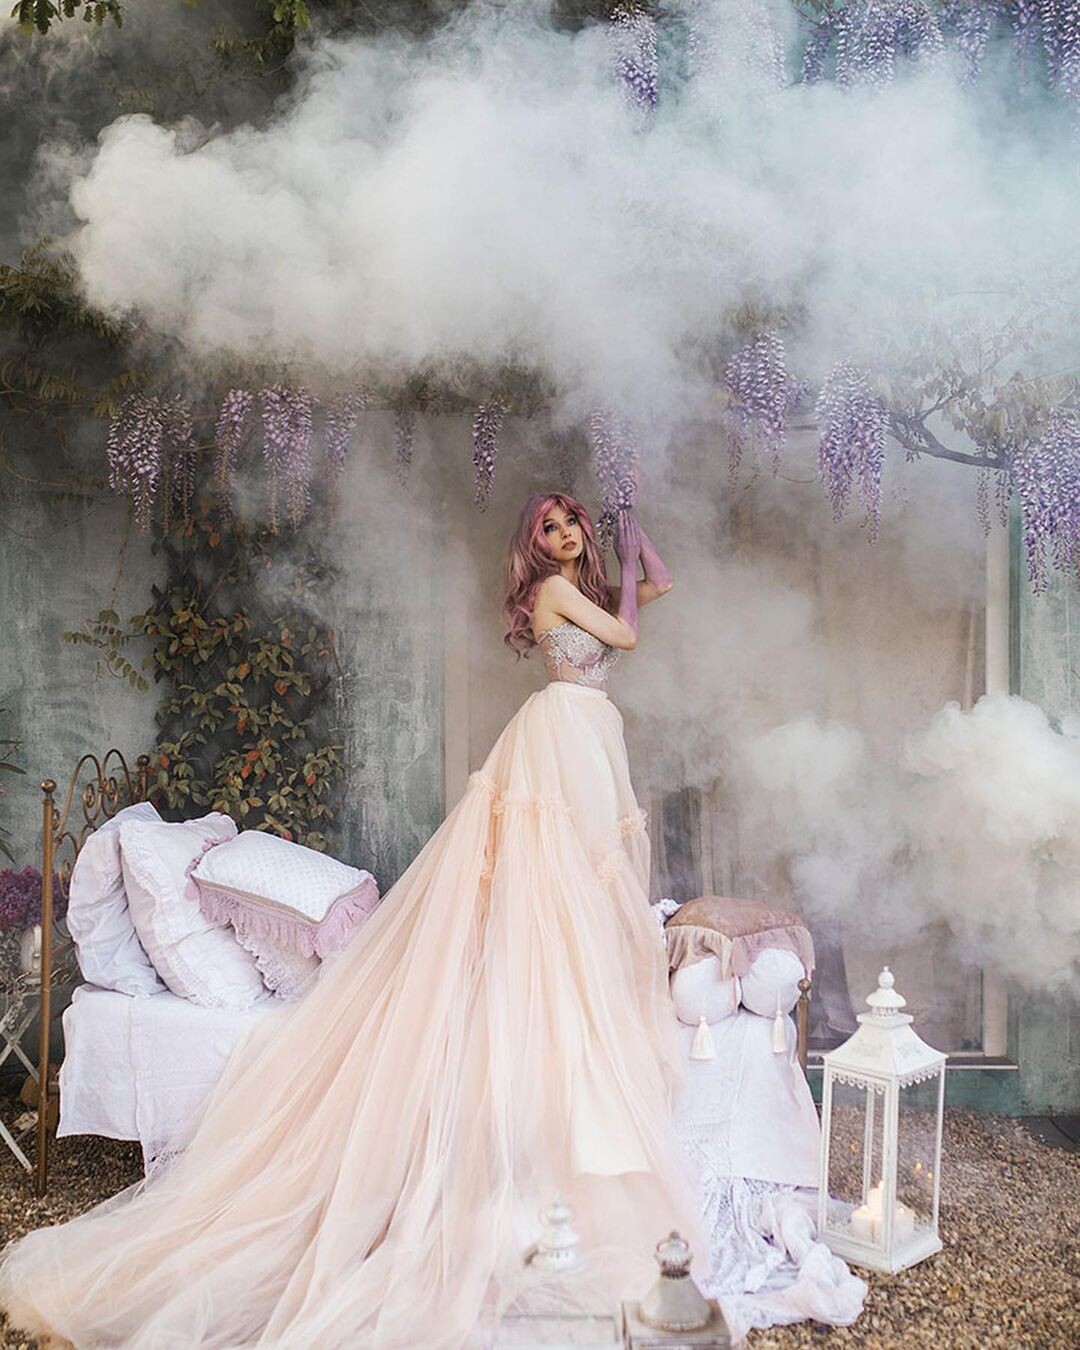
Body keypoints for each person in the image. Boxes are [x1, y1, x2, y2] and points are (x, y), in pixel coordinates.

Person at [0, 492, 704, 1349]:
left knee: (585, 873)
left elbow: (655, 592)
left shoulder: (582, 584)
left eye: (569, 523)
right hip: (563, 732)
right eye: (547, 529)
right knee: (556, 873)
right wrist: (622, 565)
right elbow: (627, 631)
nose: (561, 537)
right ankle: (558, 1004)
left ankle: (577, 992)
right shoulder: (559, 592)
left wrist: (636, 544)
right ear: (538, 546)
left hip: (590, 734)